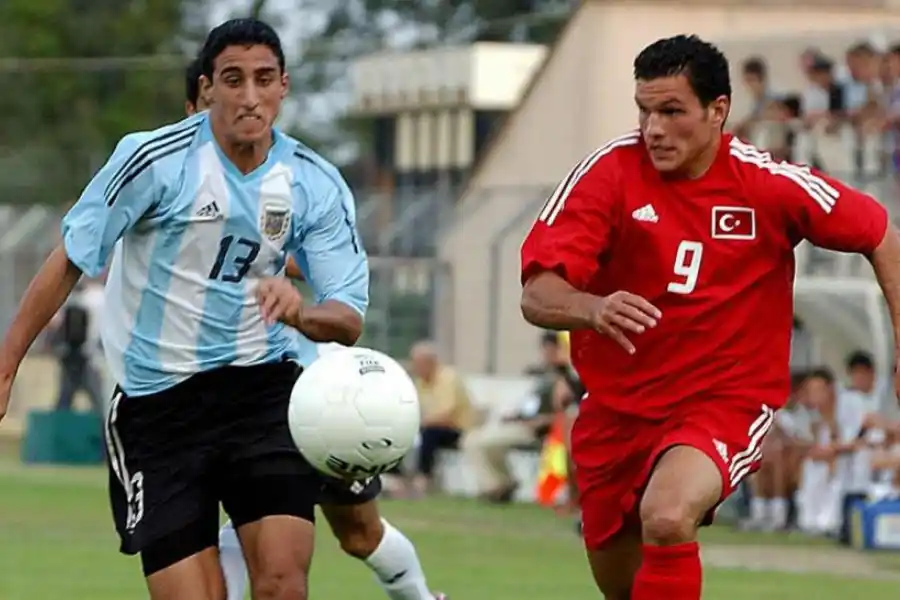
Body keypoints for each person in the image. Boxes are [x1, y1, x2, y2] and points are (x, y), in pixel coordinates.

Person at [519, 34, 900, 600]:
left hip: (725, 399)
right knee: (624, 586)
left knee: (669, 515)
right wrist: (591, 307)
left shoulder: (767, 184)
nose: (653, 128)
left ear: (718, 110)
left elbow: (881, 233)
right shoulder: (608, 175)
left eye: (672, 111)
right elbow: (536, 293)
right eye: (645, 111)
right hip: (617, 410)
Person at [0, 18, 368, 600]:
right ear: (208, 88)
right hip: (157, 408)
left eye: (263, 79)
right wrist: (7, 363)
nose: (249, 96)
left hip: (262, 394)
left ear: (283, 87)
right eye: (233, 79)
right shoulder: (153, 160)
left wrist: (300, 314)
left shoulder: (314, 184)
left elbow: (347, 318)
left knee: (282, 581)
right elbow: (69, 258)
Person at [184, 57, 446, 600]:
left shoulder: (284, 183)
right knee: (255, 536)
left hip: (306, 388)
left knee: (358, 532)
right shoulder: (170, 185)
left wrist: (281, 279)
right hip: (211, 399)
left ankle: (421, 598)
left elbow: (324, 273)